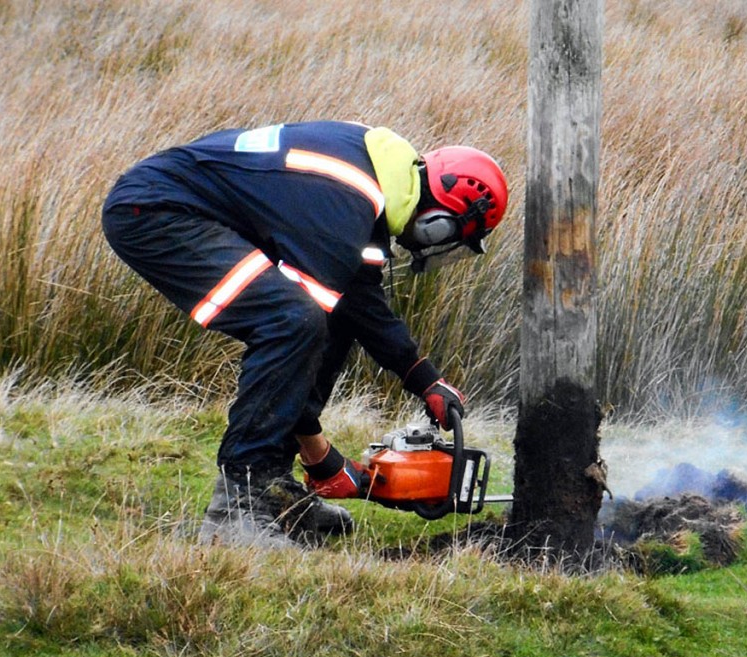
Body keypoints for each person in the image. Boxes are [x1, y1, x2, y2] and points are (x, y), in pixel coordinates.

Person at [101, 120, 508, 548]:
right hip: (154, 214)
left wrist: (424, 377)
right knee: (291, 321)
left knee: (325, 319)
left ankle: (275, 494)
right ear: (440, 221)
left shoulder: (373, 178)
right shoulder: (348, 198)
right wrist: (322, 456)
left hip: (167, 204)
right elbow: (302, 326)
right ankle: (236, 510)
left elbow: (357, 300)